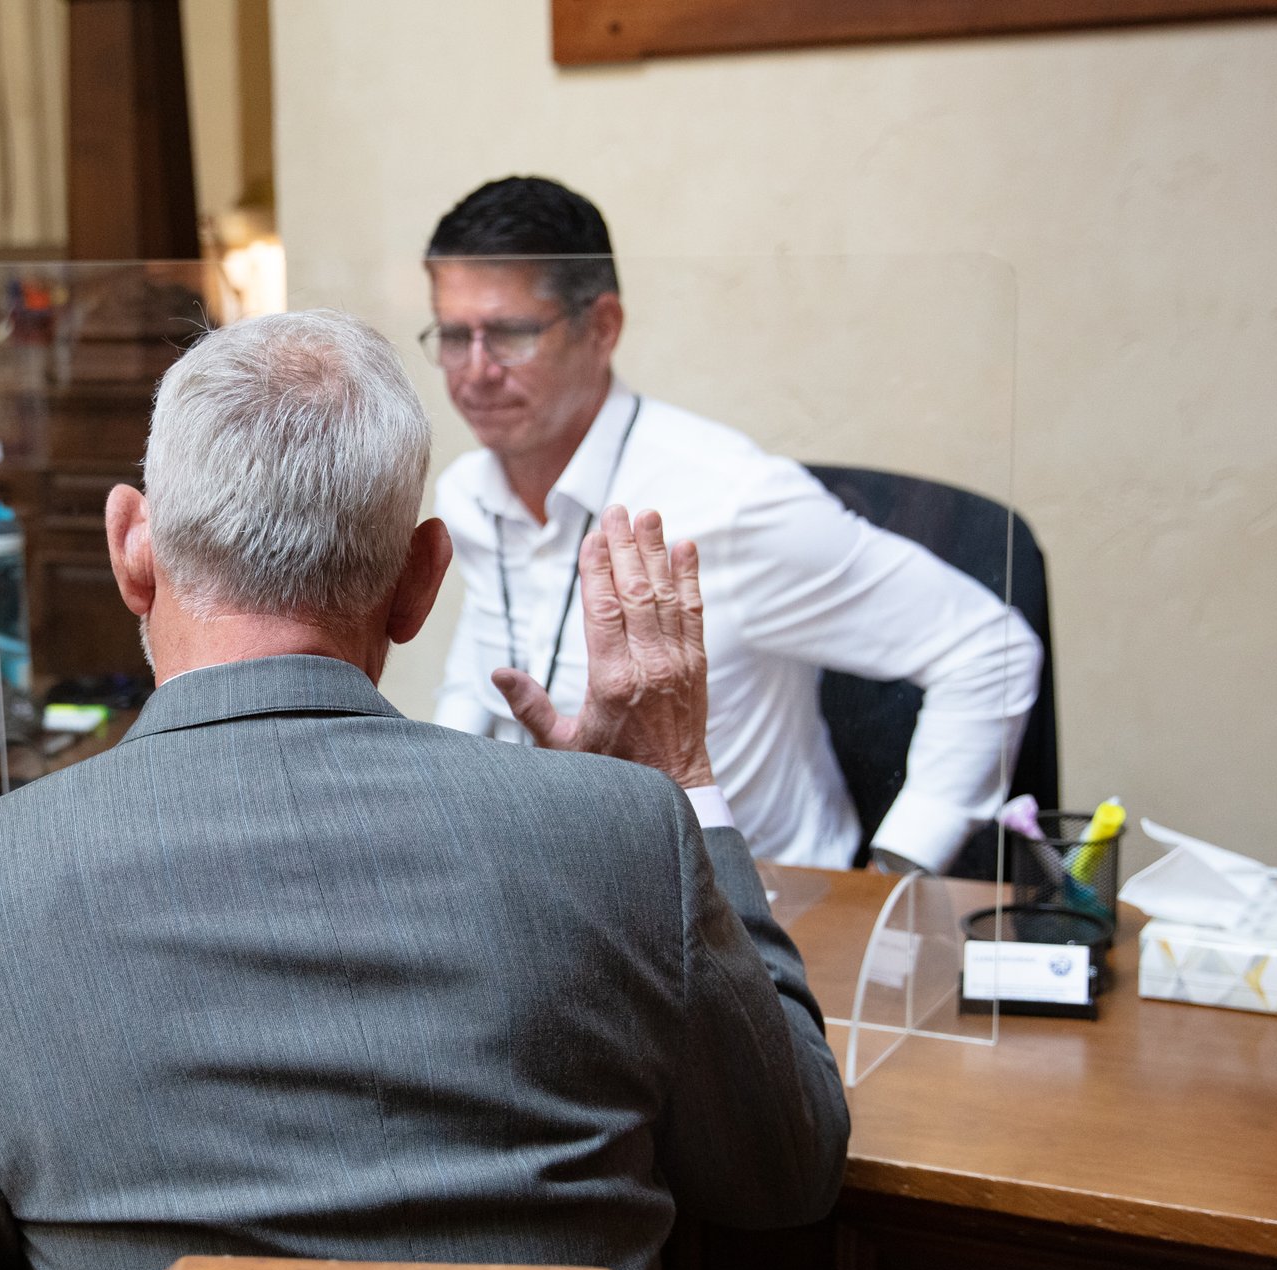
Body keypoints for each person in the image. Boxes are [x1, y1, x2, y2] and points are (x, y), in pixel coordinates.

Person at [0, 310, 848, 1270]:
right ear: (424, 579)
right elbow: (785, 1167)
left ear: (131, 549)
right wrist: (678, 779)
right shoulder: (623, 833)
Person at [422, 176, 1042, 873]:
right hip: (572, 900)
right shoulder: (467, 492)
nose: (474, 372)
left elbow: (992, 649)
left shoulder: (731, 497)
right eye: (453, 336)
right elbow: (480, 683)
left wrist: (894, 882)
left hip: (754, 919)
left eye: (509, 334)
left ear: (602, 328)